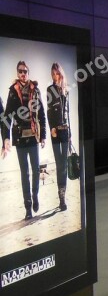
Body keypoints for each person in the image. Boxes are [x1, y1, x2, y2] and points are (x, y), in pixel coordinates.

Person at [4, 61, 46, 220]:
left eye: (25, 71)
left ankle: (35, 194)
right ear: (17, 73)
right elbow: (6, 116)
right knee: (24, 173)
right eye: (20, 71)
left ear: (28, 73)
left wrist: (43, 137)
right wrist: (6, 138)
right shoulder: (12, 92)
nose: (23, 74)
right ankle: (28, 207)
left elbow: (41, 114)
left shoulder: (36, 90)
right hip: (20, 137)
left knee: (36, 170)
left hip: (34, 136)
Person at [47, 63, 70, 211]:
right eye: (53, 73)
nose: (55, 76)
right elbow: (49, 112)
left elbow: (68, 112)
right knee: (59, 164)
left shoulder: (66, 90)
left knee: (65, 165)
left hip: (65, 131)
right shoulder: (50, 90)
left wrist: (71, 133)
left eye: (57, 73)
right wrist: (52, 128)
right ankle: (60, 197)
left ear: (61, 74)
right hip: (55, 132)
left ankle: (63, 196)